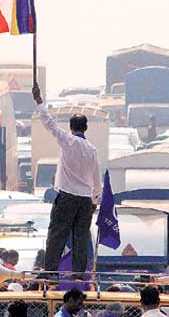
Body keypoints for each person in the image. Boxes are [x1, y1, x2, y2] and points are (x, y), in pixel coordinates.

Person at [33, 84, 100, 278]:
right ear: (86, 128)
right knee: (81, 237)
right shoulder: (92, 149)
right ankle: (78, 273)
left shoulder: (68, 141)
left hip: (68, 197)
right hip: (85, 199)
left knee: (57, 234)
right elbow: (96, 178)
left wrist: (39, 102)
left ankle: (51, 271)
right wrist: (95, 201)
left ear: (71, 128)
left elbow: (49, 124)